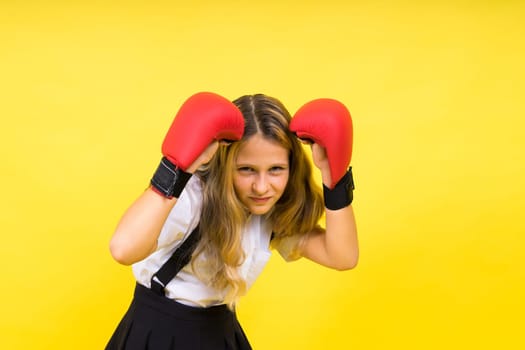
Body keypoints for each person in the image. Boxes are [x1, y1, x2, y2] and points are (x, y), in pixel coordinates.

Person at [105, 91, 358, 350]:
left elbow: (342, 256)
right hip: (159, 333)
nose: (261, 187)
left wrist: (333, 177)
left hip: (221, 334)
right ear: (225, 164)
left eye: (275, 169)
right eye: (246, 169)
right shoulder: (193, 199)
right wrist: (176, 169)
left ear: (292, 168)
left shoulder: (269, 213)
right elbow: (123, 249)